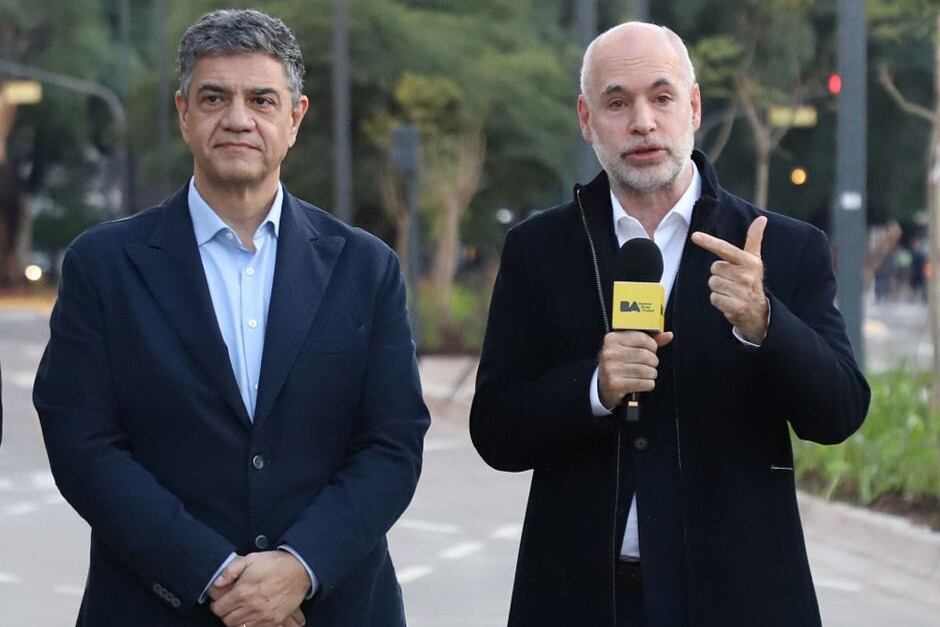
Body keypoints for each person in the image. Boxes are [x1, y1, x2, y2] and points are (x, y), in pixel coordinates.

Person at [33, 9, 429, 627]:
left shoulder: (365, 268)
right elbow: (83, 445)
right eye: (214, 97)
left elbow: (393, 443)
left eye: (261, 99)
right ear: (183, 113)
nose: (238, 118)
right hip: (154, 606)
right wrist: (214, 575)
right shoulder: (103, 266)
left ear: (295, 118)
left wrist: (300, 567)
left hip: (332, 607)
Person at [469, 22, 869, 627]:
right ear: (586, 118)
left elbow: (839, 413)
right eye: (616, 102)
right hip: (581, 598)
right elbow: (495, 431)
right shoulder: (539, 249)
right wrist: (593, 391)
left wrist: (766, 323)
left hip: (740, 598)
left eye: (661, 97)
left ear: (694, 106)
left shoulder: (784, 249)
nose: (642, 123)